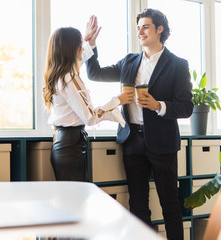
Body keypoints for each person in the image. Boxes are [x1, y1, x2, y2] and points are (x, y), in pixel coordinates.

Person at [84, 9, 193, 240]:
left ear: (159, 29)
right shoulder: (129, 61)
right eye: (138, 28)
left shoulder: (177, 65)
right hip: (132, 140)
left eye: (145, 27)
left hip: (162, 143)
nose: (140, 32)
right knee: (138, 205)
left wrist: (158, 105)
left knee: (170, 205)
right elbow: (94, 74)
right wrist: (90, 45)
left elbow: (186, 107)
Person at [43, 27, 132, 182]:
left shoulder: (60, 75)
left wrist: (87, 41)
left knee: (72, 199)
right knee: (74, 200)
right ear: (73, 49)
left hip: (66, 143)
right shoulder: (69, 79)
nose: (82, 48)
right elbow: (90, 118)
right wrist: (117, 100)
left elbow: (79, 58)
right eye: (80, 45)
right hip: (69, 146)